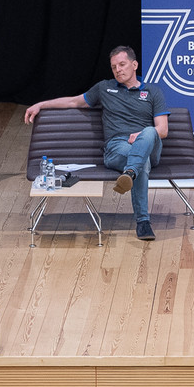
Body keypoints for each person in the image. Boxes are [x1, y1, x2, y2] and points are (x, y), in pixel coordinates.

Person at [24, 46, 168, 241]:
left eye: (122, 64)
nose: (118, 70)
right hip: (118, 147)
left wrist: (141, 136)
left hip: (148, 146)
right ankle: (143, 221)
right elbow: (74, 102)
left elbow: (162, 130)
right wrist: (40, 104)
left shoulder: (153, 92)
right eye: (114, 67)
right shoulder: (104, 88)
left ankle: (129, 172)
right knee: (142, 163)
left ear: (134, 65)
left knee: (150, 131)